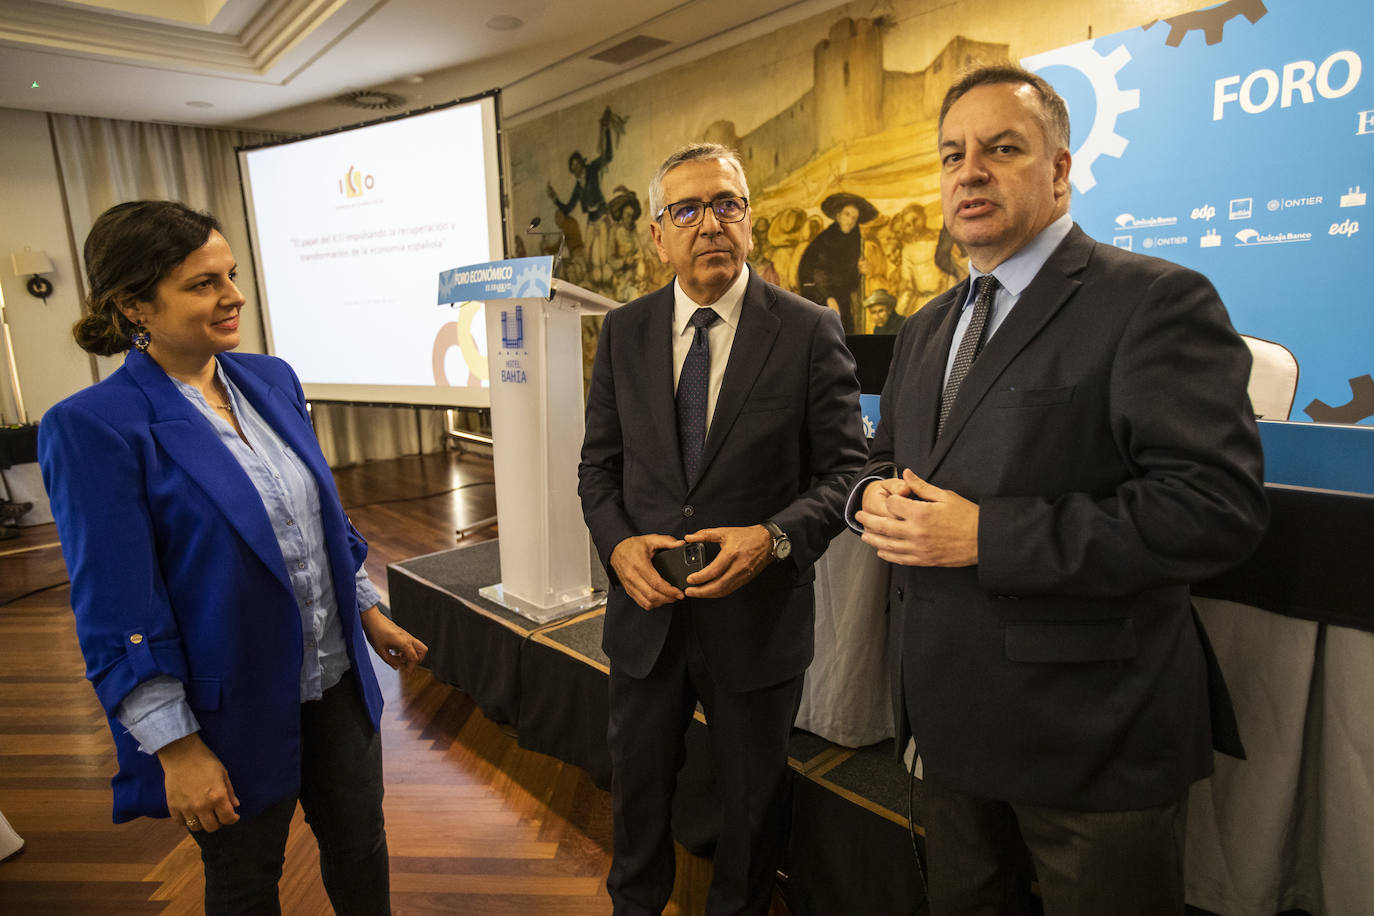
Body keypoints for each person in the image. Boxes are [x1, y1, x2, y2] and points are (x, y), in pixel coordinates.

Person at [850, 66, 1267, 914]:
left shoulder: (1153, 300)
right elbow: (883, 458)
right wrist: (869, 500)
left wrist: (987, 537)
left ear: (1060, 169)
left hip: (1092, 740)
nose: (970, 171)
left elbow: (1213, 511)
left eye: (1002, 149)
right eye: (952, 155)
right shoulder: (929, 327)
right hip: (948, 727)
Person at [38, 200, 428, 915]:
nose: (233, 294)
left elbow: (317, 516)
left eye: (232, 274)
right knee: (248, 881)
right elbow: (116, 608)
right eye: (202, 283)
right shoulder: (92, 426)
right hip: (225, 710)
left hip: (336, 683)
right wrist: (177, 749)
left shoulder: (270, 377)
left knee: (361, 847)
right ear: (135, 305)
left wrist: (369, 611)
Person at [579, 143, 866, 915]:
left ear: (750, 220)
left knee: (750, 814)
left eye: (726, 204)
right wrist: (616, 546)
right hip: (646, 621)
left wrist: (772, 537)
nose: (710, 222)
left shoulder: (807, 332)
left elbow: (846, 475)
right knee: (638, 807)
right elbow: (597, 471)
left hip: (757, 623)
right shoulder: (625, 333)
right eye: (687, 209)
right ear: (657, 235)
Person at [797, 191, 878, 334]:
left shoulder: (854, 240)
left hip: (841, 297)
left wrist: (859, 270)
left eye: (854, 217)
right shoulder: (826, 239)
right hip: (817, 295)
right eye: (847, 214)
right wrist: (828, 297)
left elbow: (849, 279)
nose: (851, 220)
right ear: (838, 215)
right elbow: (817, 272)